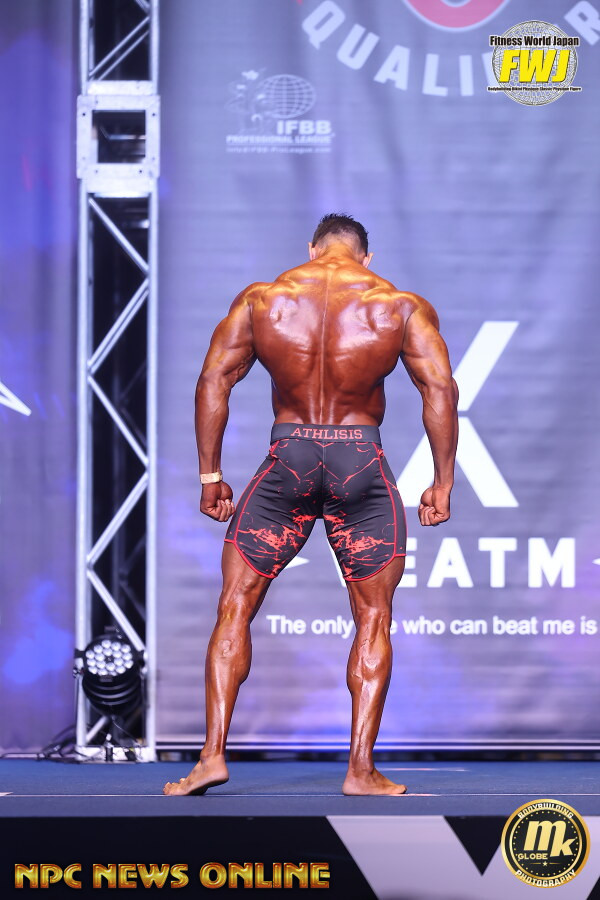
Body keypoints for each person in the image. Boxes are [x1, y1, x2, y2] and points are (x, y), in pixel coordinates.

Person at [163, 214, 458, 797]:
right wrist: (442, 482)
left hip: (289, 459)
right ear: (365, 256)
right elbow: (441, 390)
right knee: (373, 618)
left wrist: (210, 475)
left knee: (234, 607)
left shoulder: (263, 300)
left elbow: (212, 381)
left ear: (312, 249)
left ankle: (211, 757)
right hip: (359, 462)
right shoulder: (398, 305)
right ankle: (360, 770)